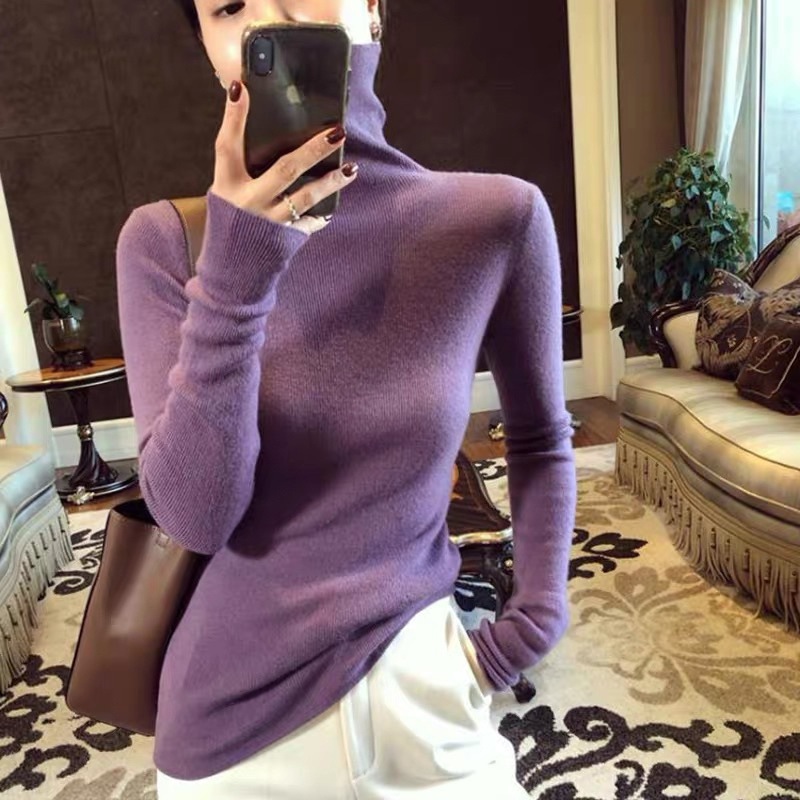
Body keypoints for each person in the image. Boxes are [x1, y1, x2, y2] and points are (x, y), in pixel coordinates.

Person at [115, 0, 578, 796]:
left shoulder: (496, 221)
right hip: (231, 736)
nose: (268, 15)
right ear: (213, 56)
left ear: (372, 7)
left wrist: (530, 624)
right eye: (227, 7)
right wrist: (236, 277)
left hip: (429, 696)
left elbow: (539, 440)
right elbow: (194, 517)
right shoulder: (163, 244)